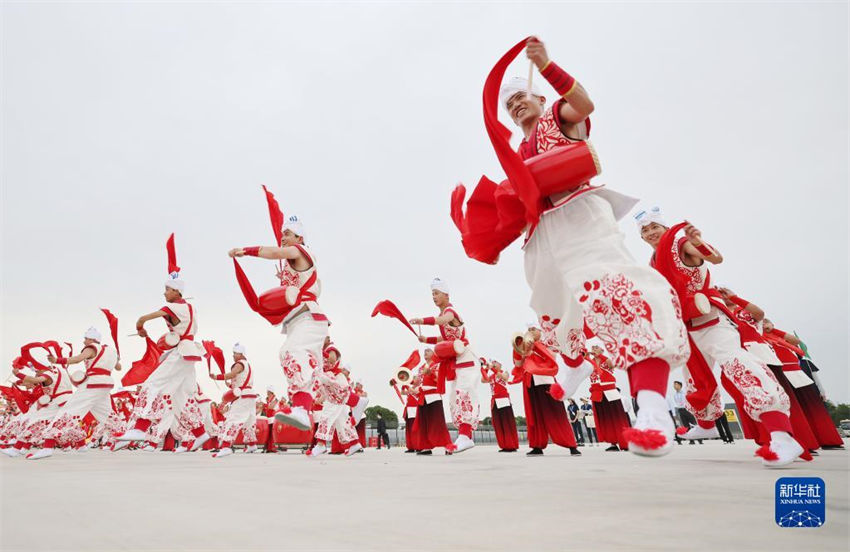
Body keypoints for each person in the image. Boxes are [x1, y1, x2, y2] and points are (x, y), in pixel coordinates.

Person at [453, 37, 690, 457]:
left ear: (540, 97)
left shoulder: (556, 119)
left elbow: (583, 104)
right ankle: (575, 363)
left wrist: (546, 65)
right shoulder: (516, 150)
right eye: (509, 105)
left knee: (618, 298)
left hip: (579, 216)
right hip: (541, 235)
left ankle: (653, 410)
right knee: (555, 317)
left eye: (522, 98)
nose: (516, 106)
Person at [638, 209, 805, 467]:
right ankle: (706, 424)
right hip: (685, 325)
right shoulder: (653, 261)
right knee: (695, 378)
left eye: (653, 227)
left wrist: (698, 241)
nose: (649, 233)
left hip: (711, 320)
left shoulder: (678, 244)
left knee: (740, 367)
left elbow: (715, 258)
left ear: (663, 226)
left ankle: (782, 436)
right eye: (644, 230)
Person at [229, 216, 327, 432]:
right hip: (300, 321)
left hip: (310, 319)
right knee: (315, 372)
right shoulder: (294, 261)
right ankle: (351, 401)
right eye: (283, 234)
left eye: (287, 234)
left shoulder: (300, 250)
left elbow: (274, 253)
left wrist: (245, 250)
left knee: (290, 353)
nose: (283, 238)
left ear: (299, 238)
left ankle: (301, 410)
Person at [116, 251, 211, 452]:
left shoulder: (175, 307)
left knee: (153, 383)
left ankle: (140, 428)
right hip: (188, 352)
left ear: (177, 292)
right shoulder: (187, 307)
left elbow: (145, 317)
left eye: (167, 289)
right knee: (182, 397)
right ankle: (200, 433)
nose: (165, 293)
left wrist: (140, 326)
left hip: (182, 352)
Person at [27, 325, 121, 460]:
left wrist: (57, 360)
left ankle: (47, 447)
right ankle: (123, 436)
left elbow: (78, 358)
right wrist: (117, 358)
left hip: (92, 384)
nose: (84, 341)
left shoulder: (91, 348)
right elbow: (118, 367)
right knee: (107, 414)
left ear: (92, 339)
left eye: (86, 339)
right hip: (106, 384)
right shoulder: (111, 351)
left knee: (68, 412)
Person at [409, 278, 480, 453]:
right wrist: (426, 339)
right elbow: (444, 338)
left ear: (446, 295)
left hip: (466, 358)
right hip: (457, 361)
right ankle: (466, 436)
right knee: (456, 398)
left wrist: (422, 320)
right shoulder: (444, 316)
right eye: (432, 294)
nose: (434, 297)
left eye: (437, 293)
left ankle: (464, 436)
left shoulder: (450, 312)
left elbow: (443, 321)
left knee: (463, 394)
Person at [511, 325, 580, 456]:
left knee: (556, 413)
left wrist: (534, 348)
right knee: (535, 415)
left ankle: (571, 444)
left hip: (545, 380)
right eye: (529, 329)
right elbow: (518, 365)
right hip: (530, 381)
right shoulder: (524, 345)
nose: (530, 331)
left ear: (540, 332)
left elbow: (552, 358)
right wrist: (518, 350)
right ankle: (537, 445)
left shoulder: (547, 344)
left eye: (533, 329)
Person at [208, 343, 258, 458]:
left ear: (241, 354)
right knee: (249, 421)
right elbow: (241, 381)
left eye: (235, 353)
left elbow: (232, 374)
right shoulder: (248, 365)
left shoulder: (239, 364)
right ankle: (252, 444)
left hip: (243, 396)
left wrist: (217, 377)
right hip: (250, 395)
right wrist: (231, 386)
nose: (233, 356)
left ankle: (226, 446)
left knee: (233, 419)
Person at [410, 349, 455, 455]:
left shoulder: (438, 365)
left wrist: (431, 373)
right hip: (423, 397)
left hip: (434, 397)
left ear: (434, 354)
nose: (425, 352)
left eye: (428, 351)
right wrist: (405, 379)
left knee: (438, 423)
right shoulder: (421, 368)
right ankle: (425, 447)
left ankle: (448, 446)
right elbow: (417, 382)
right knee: (423, 423)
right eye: (424, 351)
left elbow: (439, 380)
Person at [483, 359, 519, 452]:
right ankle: (504, 445)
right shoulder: (491, 376)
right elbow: (483, 380)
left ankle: (511, 444)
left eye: (495, 362)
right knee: (498, 424)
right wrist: (485, 369)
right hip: (495, 401)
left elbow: (504, 377)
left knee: (507, 423)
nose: (494, 364)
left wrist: (492, 369)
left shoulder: (504, 373)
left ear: (500, 365)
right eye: (493, 362)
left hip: (503, 400)